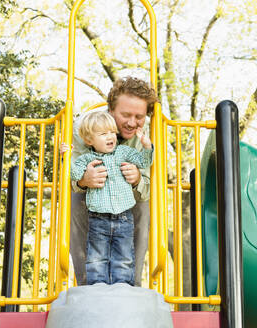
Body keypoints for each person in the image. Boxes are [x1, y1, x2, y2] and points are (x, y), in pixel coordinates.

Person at [69, 77, 158, 286]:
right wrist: (84, 181)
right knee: (75, 199)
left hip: (126, 203)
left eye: (139, 116)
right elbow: (71, 177)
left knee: (144, 207)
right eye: (125, 115)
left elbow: (146, 188)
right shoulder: (84, 128)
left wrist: (136, 179)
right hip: (93, 198)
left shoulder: (147, 136)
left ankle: (130, 283)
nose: (131, 122)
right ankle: (87, 283)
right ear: (111, 110)